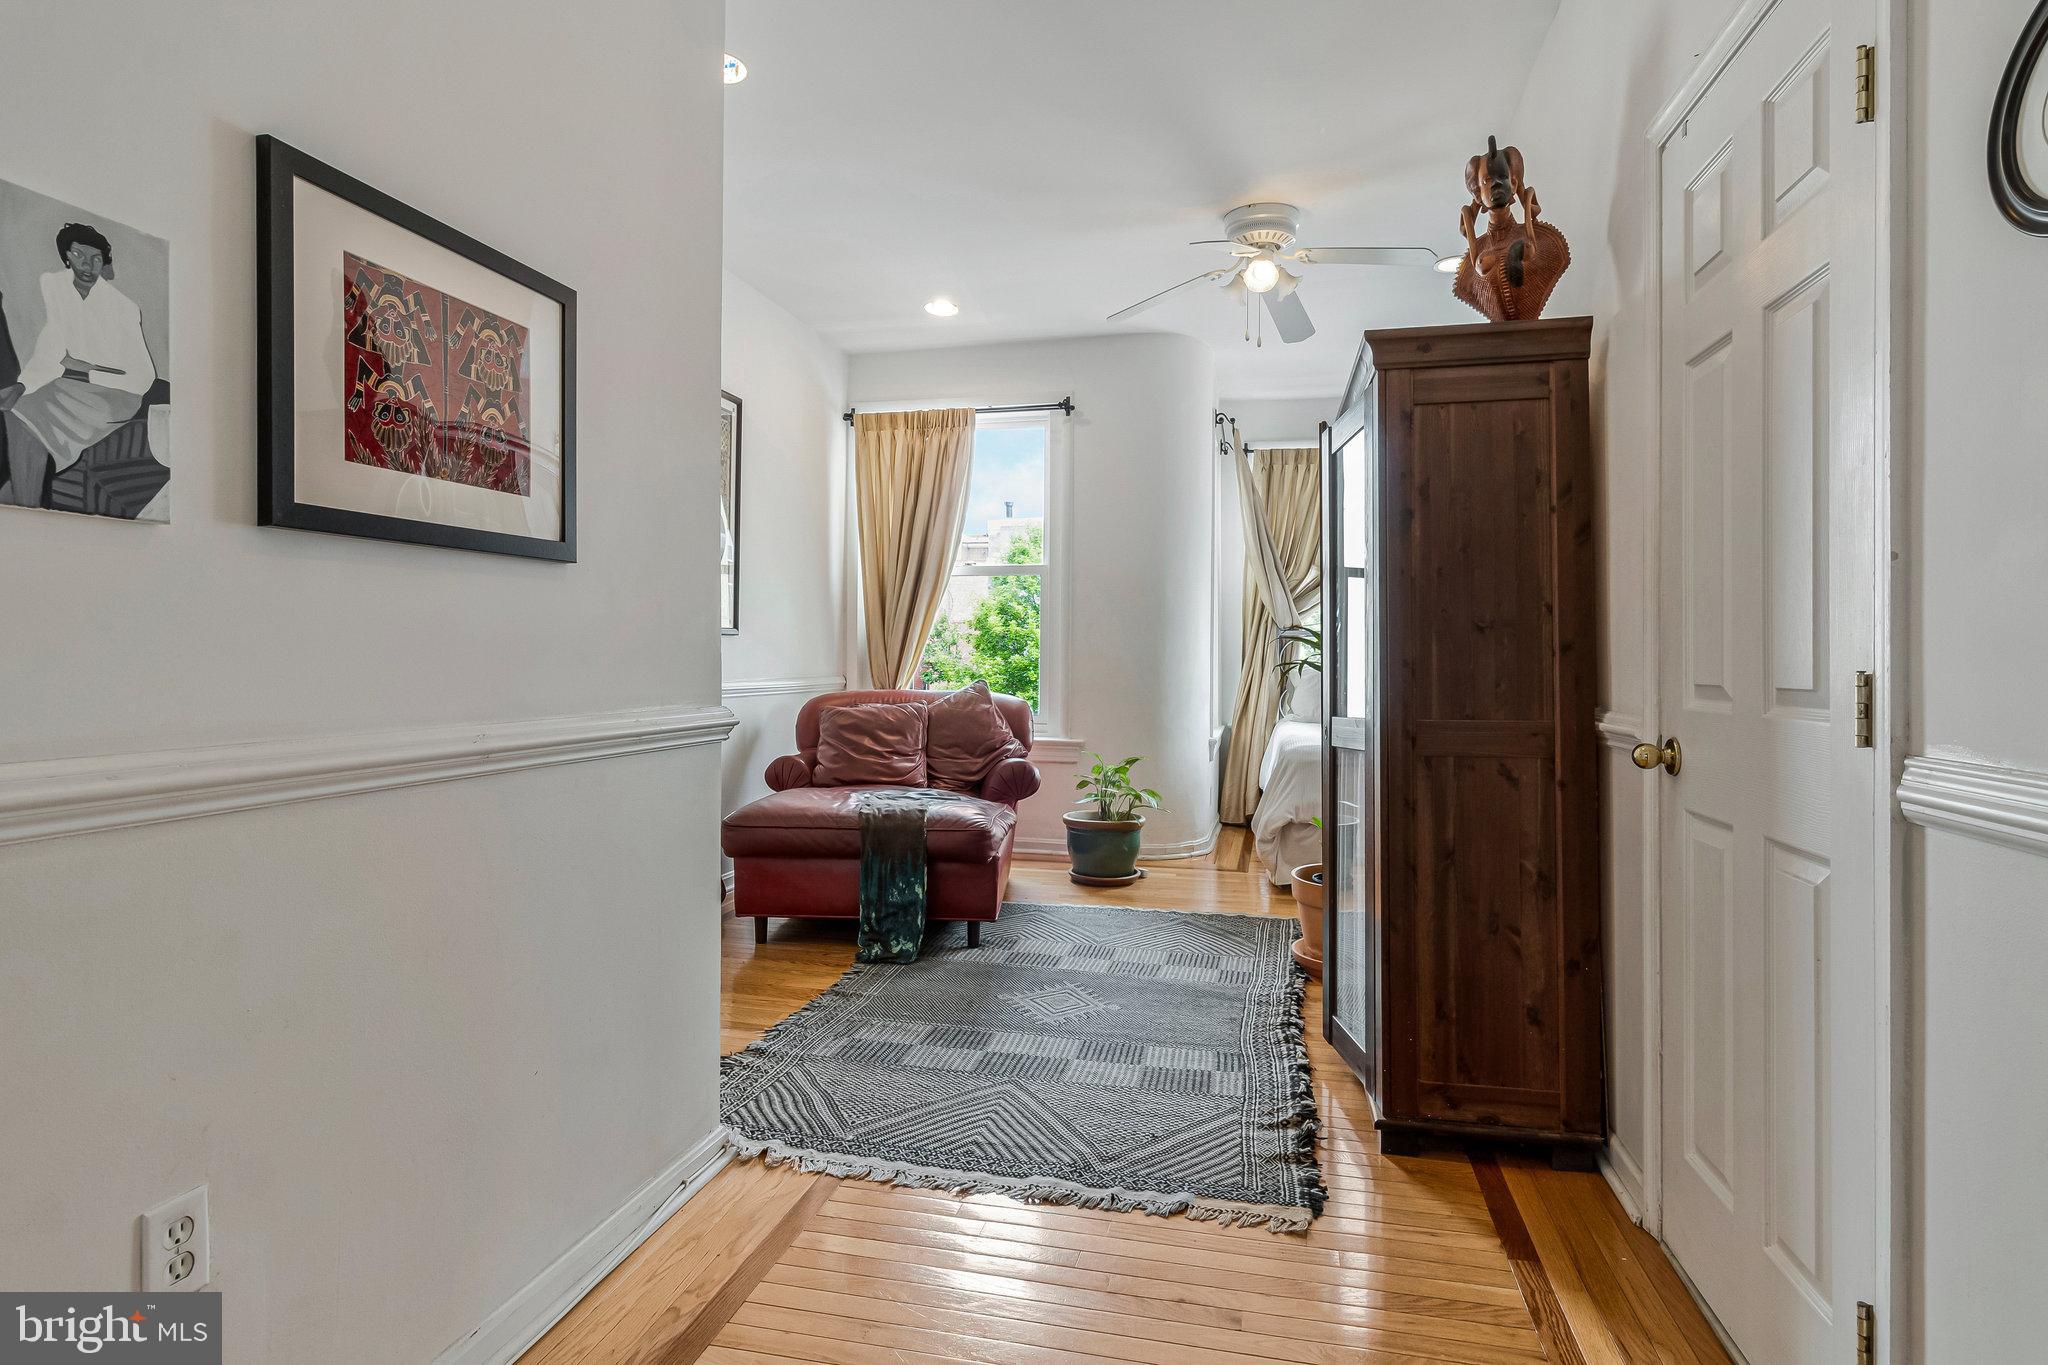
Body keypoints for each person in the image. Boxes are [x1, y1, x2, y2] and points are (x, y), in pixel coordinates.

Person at [0, 222, 156, 506]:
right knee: (15, 410)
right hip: (69, 383)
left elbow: (143, 378)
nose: (88, 264)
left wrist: (85, 372)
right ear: (67, 256)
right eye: (80, 255)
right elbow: (51, 349)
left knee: (26, 420)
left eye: (96, 258)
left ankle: (27, 506)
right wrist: (23, 385)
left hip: (116, 395)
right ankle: (21, 504)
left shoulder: (123, 308)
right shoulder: (55, 286)